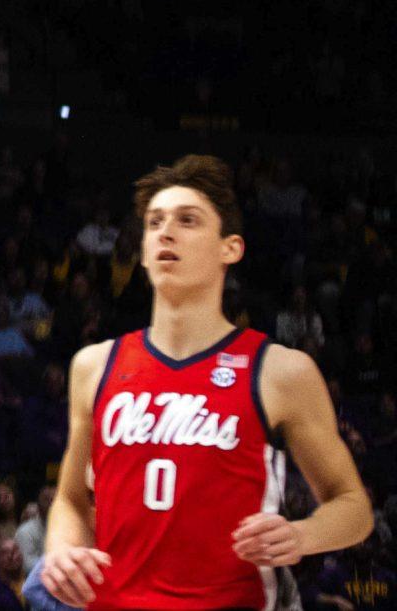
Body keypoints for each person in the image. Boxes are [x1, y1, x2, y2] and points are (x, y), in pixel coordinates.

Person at [36, 156, 374, 611]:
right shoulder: (93, 366)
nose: (165, 232)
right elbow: (72, 501)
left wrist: (300, 535)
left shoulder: (280, 371)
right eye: (154, 223)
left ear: (229, 248)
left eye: (188, 220)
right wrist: (60, 550)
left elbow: (354, 507)